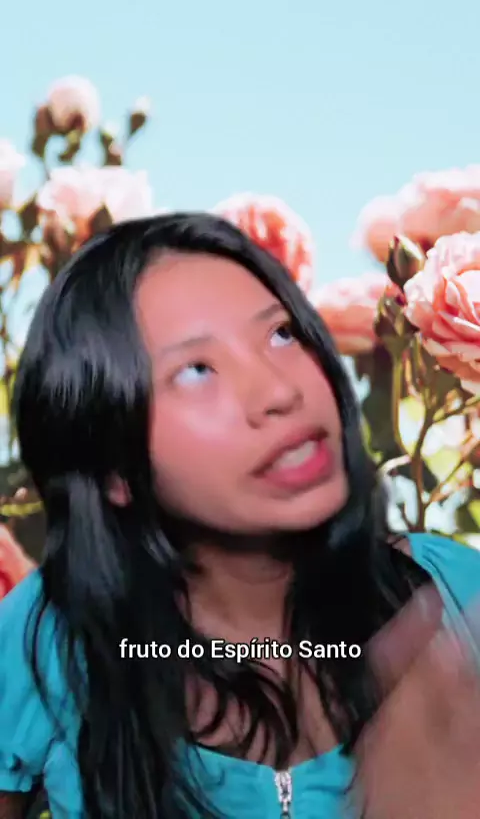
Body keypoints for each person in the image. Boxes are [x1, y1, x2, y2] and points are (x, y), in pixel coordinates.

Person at [0, 212, 479, 819]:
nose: (280, 392)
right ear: (112, 468)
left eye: (282, 335)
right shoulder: (47, 634)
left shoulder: (461, 597)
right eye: (197, 370)